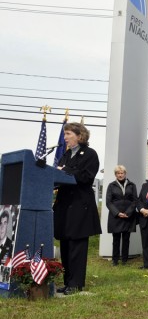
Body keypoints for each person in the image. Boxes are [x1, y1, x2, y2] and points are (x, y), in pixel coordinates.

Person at [53, 122, 102, 295]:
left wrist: (64, 170)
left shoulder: (89, 154)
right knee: (65, 246)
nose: (65, 137)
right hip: (64, 206)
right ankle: (67, 282)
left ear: (79, 135)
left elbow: (86, 177)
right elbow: (57, 176)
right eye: (65, 134)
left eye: (68, 134)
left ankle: (76, 284)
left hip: (80, 206)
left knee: (77, 247)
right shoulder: (66, 154)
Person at [104, 165, 137, 266]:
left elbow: (135, 200)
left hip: (128, 215)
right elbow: (108, 202)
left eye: (122, 173)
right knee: (116, 239)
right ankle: (115, 260)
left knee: (126, 238)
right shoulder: (111, 185)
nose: (120, 175)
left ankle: (124, 260)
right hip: (115, 216)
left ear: (125, 174)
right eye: (118, 173)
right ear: (115, 175)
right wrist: (117, 213)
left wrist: (128, 212)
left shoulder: (132, 185)